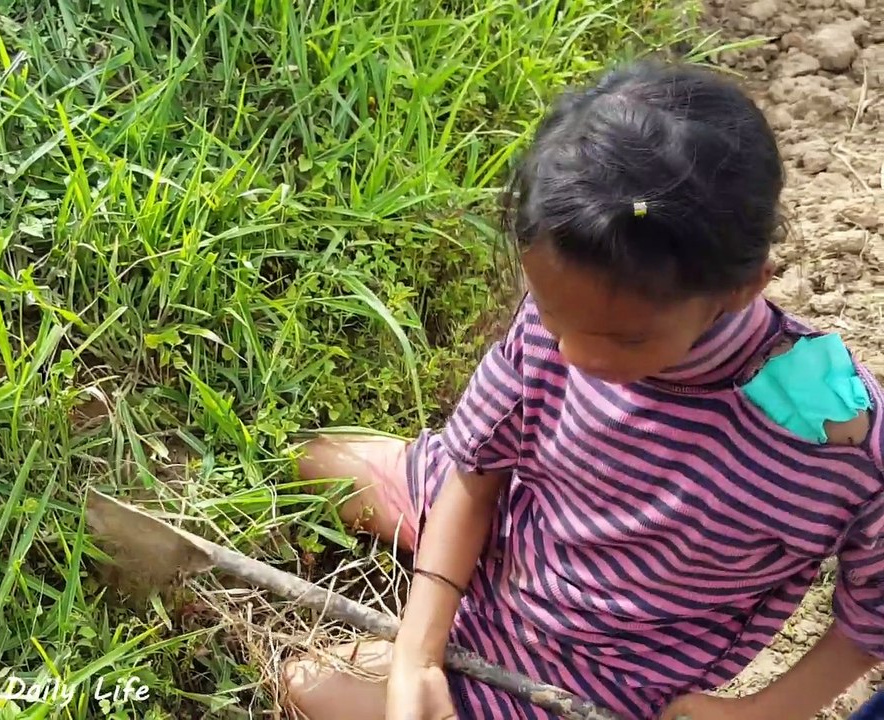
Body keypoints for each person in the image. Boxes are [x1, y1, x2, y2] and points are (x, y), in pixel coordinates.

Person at [279, 60, 883, 720]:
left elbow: (872, 616)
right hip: (508, 529)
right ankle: (441, 625)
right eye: (553, 315)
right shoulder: (573, 304)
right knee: (310, 459)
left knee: (306, 684)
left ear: (743, 287)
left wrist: (761, 711)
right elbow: (475, 475)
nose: (573, 354)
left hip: (592, 670)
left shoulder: (832, 444)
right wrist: (419, 652)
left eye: (624, 341)